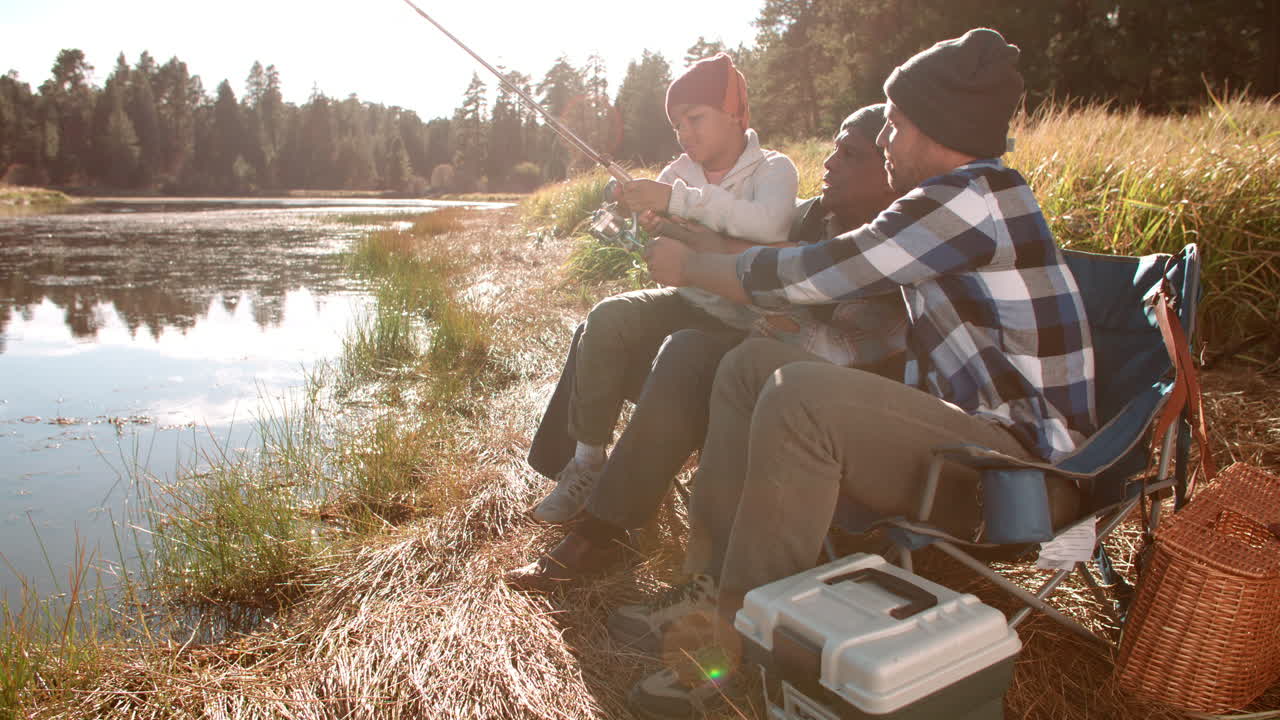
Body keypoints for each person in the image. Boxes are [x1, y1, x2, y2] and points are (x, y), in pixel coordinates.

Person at [620, 28, 1098, 718]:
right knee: (755, 364)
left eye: (896, 125)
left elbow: (833, 269)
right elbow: (843, 286)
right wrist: (713, 255)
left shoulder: (973, 197)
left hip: (1021, 474)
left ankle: (741, 649)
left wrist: (697, 267)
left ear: (941, 129)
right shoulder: (961, 201)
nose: (884, 141)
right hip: (970, 443)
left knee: (802, 397)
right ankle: (709, 583)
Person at [508, 105, 905, 590]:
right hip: (752, 349)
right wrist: (677, 231)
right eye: (835, 148)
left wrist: (750, 304)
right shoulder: (811, 215)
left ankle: (602, 531)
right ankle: (575, 472)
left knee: (688, 352)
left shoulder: (896, 247)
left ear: (892, 170)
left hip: (813, 398)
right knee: (608, 325)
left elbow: (836, 347)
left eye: (852, 154)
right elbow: (741, 250)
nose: (830, 163)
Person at [526, 52, 799, 526]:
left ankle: (618, 497)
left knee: (669, 346)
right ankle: (586, 464)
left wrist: (676, 201)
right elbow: (665, 242)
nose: (685, 134)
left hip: (747, 320)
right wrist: (643, 217)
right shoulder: (678, 171)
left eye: (695, 118)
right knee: (606, 318)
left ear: (735, 113)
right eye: (677, 125)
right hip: (689, 301)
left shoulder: (774, 170)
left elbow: (771, 226)